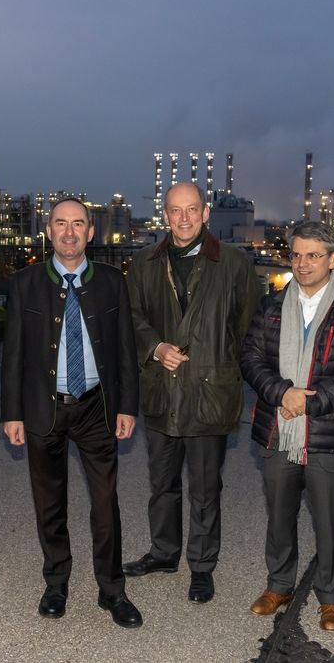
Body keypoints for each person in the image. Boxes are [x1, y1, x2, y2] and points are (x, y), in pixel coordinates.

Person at [1, 197, 143, 629]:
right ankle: (56, 583)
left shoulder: (112, 281)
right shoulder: (24, 283)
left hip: (97, 406)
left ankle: (112, 590)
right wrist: (11, 413)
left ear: (90, 232)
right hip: (43, 407)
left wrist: (127, 406)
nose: (69, 232)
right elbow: (13, 353)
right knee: (49, 503)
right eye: (60, 223)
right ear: (48, 231)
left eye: (77, 224)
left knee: (105, 502)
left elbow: (125, 347)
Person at [239, 221, 334, 632]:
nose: (302, 264)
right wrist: (283, 393)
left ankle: (331, 598)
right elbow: (251, 358)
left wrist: (308, 401)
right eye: (296, 255)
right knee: (279, 515)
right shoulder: (271, 306)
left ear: (333, 259)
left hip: (329, 433)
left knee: (330, 520)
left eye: (313, 255)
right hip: (277, 429)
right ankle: (279, 586)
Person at [123, 181, 261, 604]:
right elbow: (132, 317)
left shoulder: (233, 263)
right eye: (175, 210)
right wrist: (156, 347)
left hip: (209, 393)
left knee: (204, 487)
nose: (183, 218)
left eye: (191, 209)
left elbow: (248, 326)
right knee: (162, 481)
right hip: (162, 390)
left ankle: (201, 566)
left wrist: (219, 367)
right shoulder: (145, 262)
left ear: (205, 213)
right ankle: (164, 553)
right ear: (165, 215)